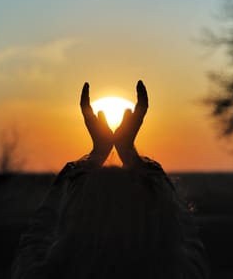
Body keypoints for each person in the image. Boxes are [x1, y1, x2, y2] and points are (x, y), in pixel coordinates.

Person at [11, 81, 210, 279]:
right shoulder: (177, 272)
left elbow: (38, 233)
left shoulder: (48, 274)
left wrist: (96, 154)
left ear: (73, 221)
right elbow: (185, 234)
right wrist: (130, 153)